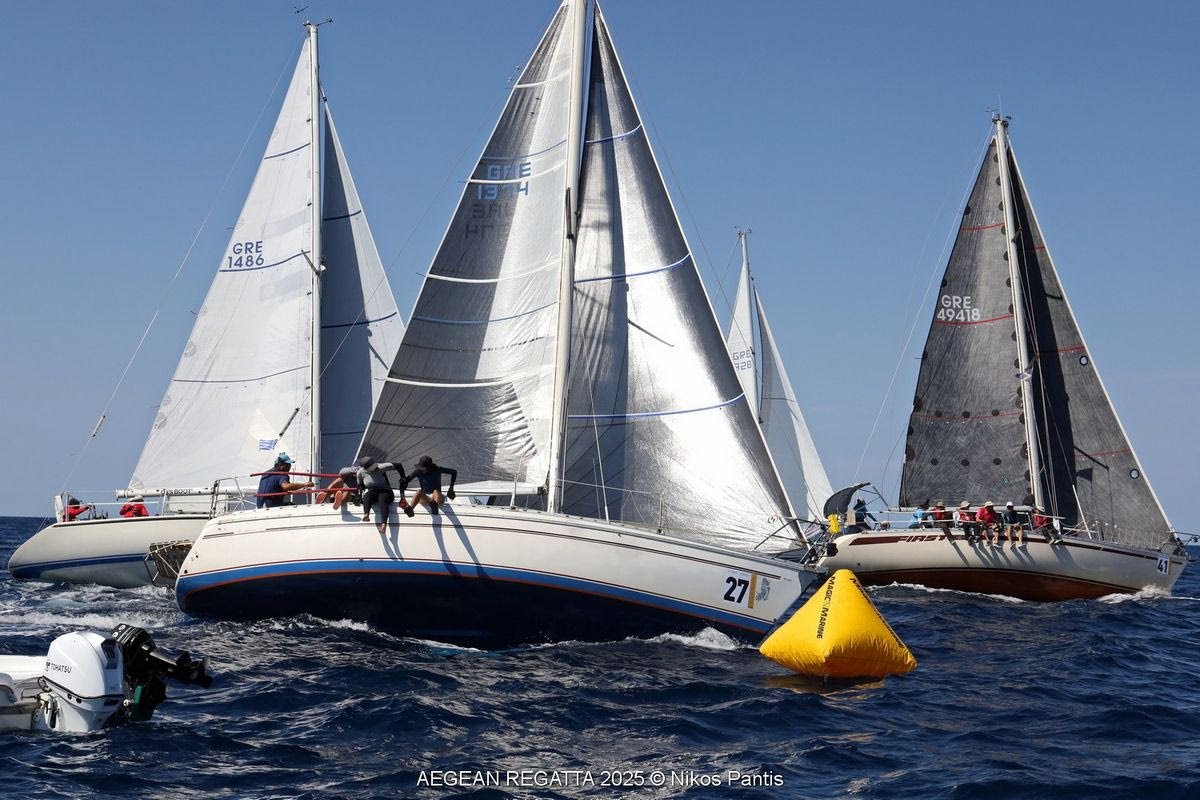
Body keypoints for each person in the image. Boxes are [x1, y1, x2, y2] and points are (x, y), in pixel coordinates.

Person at [356, 456, 411, 533]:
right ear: (365, 469)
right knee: (367, 496)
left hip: (386, 492)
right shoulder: (360, 473)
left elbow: (398, 465)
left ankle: (384, 525)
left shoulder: (381, 467)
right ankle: (366, 515)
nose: (375, 468)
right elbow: (360, 485)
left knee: (382, 498)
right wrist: (359, 495)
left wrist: (403, 477)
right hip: (373, 492)